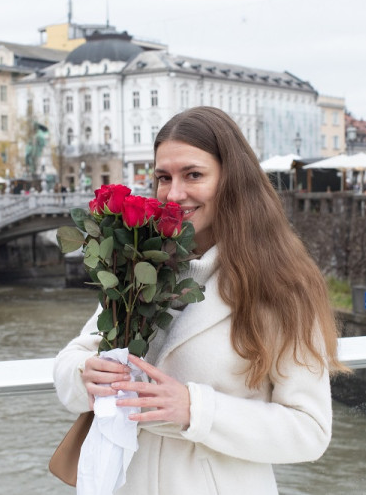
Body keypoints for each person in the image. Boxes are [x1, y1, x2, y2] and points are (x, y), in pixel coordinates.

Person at [53, 106, 347, 494]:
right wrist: (85, 374)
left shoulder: (284, 285)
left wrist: (196, 409)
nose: (174, 194)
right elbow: (74, 356)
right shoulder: (139, 265)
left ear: (232, 180)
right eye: (163, 177)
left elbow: (309, 430)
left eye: (193, 175)